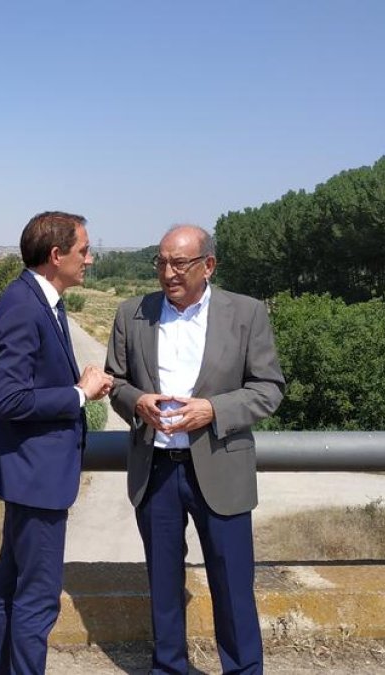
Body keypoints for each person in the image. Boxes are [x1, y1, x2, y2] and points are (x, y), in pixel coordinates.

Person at [105, 225, 285, 675]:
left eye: (180, 263)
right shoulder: (132, 313)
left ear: (208, 266)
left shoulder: (246, 313)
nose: (168, 273)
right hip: (156, 471)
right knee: (163, 584)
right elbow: (116, 383)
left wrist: (213, 409)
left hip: (221, 469)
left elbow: (268, 389)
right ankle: (169, 668)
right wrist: (136, 402)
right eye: (162, 262)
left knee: (233, 587)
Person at [0, 211, 113, 674]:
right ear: (57, 255)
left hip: (29, 474)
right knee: (37, 600)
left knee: (9, 588)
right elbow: (11, 399)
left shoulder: (40, 301)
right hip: (36, 479)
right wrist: (80, 393)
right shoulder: (23, 307)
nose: (89, 259)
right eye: (84, 251)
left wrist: (78, 385)